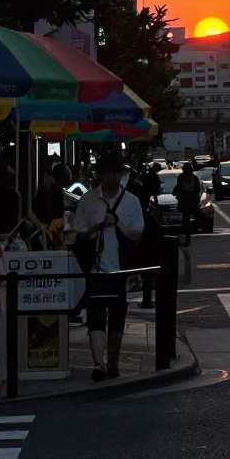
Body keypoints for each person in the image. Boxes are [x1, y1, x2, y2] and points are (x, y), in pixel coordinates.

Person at [74, 151, 144, 380]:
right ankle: (98, 364)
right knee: (95, 316)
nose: (113, 177)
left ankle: (112, 361)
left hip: (120, 270)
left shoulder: (132, 201)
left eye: (117, 172)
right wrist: (99, 226)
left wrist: (118, 225)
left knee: (117, 316)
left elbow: (136, 236)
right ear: (100, 175)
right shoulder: (88, 200)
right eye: (108, 173)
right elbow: (80, 234)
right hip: (95, 269)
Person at [174, 162, 203, 245]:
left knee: (186, 220)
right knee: (189, 221)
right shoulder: (194, 178)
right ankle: (188, 236)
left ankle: (187, 236)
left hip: (186, 201)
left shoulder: (182, 177)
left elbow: (179, 189)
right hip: (190, 201)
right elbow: (197, 191)